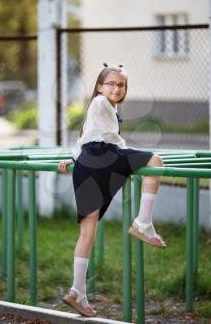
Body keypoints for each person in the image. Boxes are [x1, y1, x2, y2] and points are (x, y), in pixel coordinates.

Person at [58, 63, 166, 317]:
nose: (117, 88)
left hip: (86, 162)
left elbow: (85, 134)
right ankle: (143, 223)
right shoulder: (100, 103)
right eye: (112, 83)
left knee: (88, 232)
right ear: (98, 87)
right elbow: (107, 138)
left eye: (122, 85)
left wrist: (74, 158)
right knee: (155, 160)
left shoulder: (103, 108)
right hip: (102, 156)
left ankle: (77, 292)